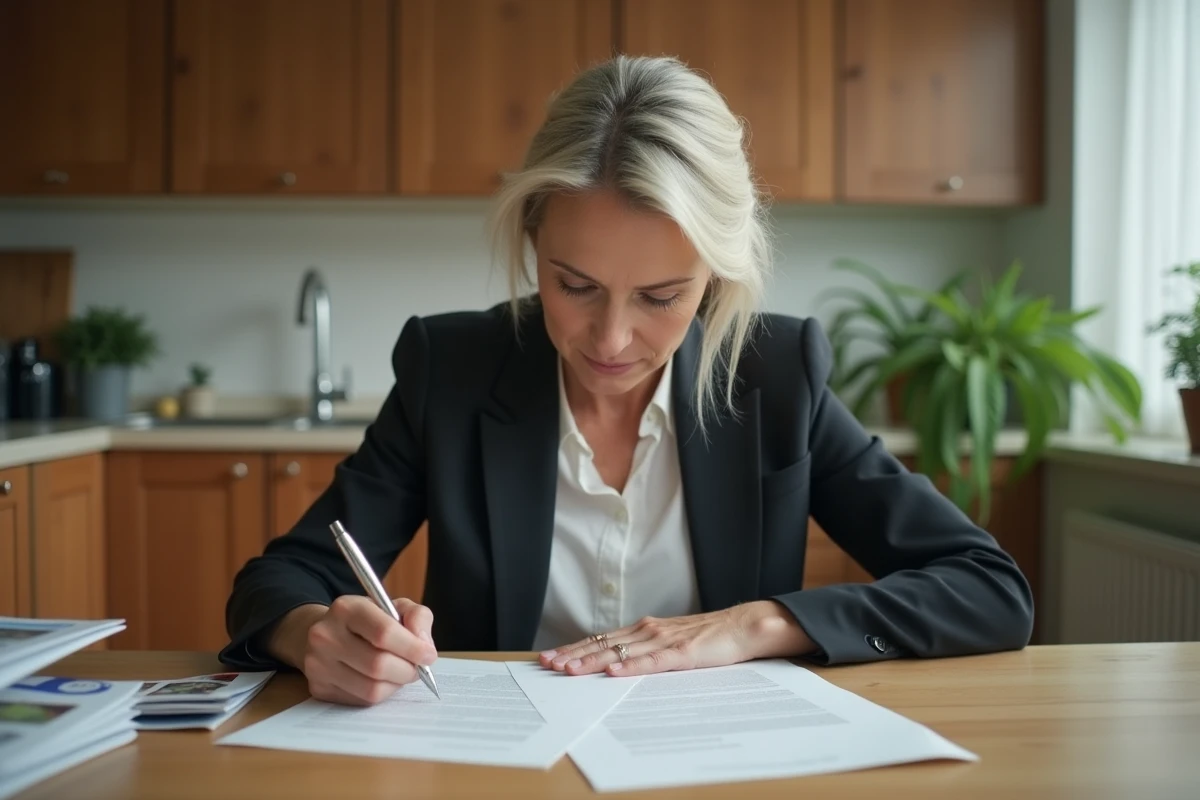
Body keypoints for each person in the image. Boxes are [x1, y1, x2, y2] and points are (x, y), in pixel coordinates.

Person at [219, 55, 1033, 707]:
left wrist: (758, 623)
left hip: (713, 761)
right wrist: (314, 636)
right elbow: (278, 582)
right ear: (535, 240)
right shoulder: (453, 369)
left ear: (713, 277)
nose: (609, 338)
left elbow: (988, 588)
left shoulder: (777, 375)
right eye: (574, 286)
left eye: (660, 297)